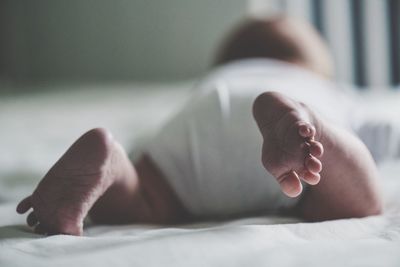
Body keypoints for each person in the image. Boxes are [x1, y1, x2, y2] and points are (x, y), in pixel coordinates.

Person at [16, 16, 384, 236]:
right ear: (314, 69)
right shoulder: (325, 88)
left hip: (199, 134)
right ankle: (314, 125)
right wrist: (315, 124)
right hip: (296, 149)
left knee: (148, 193)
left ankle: (112, 160)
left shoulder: (214, 84)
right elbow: (386, 131)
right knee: (356, 199)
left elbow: (152, 139)